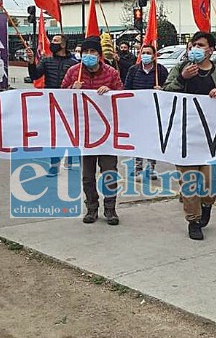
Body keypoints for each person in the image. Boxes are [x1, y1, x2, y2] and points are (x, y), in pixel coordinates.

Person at [163, 31, 216, 240]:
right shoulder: (180, 68)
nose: (196, 48)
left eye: (201, 45)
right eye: (194, 45)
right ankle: (193, 221)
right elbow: (166, 92)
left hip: (210, 137)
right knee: (189, 181)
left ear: (211, 50)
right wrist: (182, 79)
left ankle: (207, 205)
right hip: (185, 134)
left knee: (209, 181)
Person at [61, 37, 124, 225]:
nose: (88, 56)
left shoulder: (111, 73)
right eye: (85, 53)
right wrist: (72, 89)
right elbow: (60, 95)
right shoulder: (74, 72)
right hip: (85, 132)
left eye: (92, 53)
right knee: (88, 175)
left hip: (107, 133)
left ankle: (110, 209)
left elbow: (122, 95)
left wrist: (110, 91)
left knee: (109, 172)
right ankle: (91, 208)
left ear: (100, 55)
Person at [26, 34, 78, 173]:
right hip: (51, 103)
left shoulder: (74, 64)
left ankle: (71, 157)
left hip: (68, 103)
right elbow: (35, 76)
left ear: (63, 45)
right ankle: (54, 164)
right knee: (54, 134)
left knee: (70, 131)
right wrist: (31, 62)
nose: (52, 43)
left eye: (55, 41)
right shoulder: (46, 61)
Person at [124, 44, 169, 179]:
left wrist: (161, 90)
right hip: (137, 112)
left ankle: (151, 168)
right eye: (143, 53)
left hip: (154, 112)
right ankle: (138, 168)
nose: (145, 55)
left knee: (152, 141)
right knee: (138, 140)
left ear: (155, 56)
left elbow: (169, 87)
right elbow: (127, 88)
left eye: (148, 53)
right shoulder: (133, 70)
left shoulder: (160, 71)